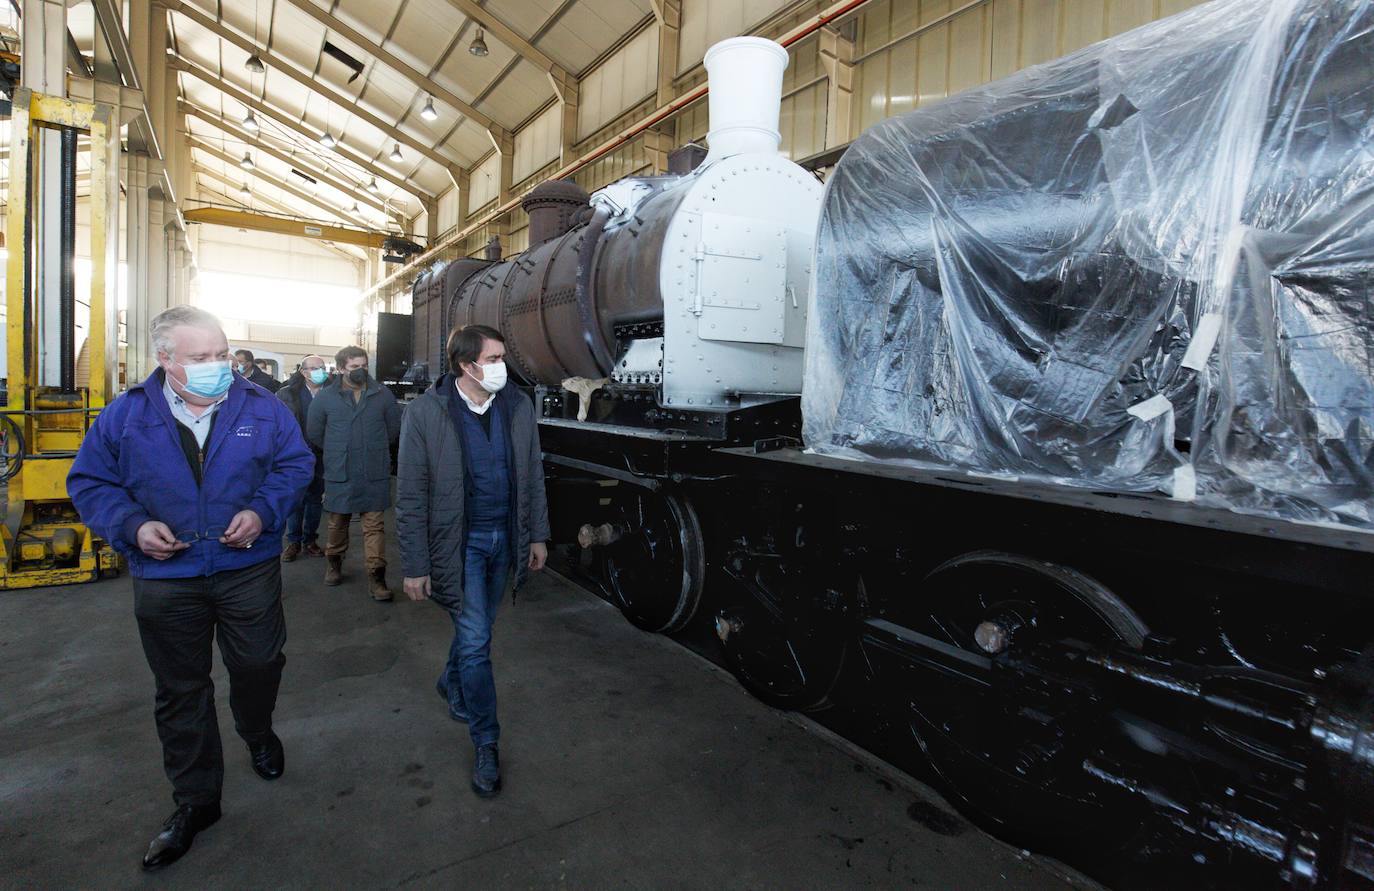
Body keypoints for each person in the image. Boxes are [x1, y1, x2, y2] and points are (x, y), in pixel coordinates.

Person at [67, 305, 313, 871]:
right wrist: (131, 526)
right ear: (166, 360)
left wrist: (262, 511)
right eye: (201, 358)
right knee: (181, 690)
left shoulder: (263, 407)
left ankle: (255, 729)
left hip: (245, 565)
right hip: (166, 575)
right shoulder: (125, 417)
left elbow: (295, 466)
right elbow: (91, 481)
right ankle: (196, 800)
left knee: (258, 663)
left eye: (222, 353)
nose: (217, 366)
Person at [397, 324, 549, 799]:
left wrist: (537, 535)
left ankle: (450, 681)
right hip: (457, 545)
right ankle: (486, 741)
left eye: (503, 355)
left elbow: (532, 474)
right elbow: (410, 494)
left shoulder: (518, 407)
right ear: (467, 365)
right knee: (478, 641)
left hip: (505, 539)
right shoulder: (426, 413)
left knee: (474, 632)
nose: (504, 365)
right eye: (495, 357)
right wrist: (416, 564)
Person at [306, 346, 401, 601]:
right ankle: (334, 564)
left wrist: (371, 448)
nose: (360, 371)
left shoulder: (382, 394)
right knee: (338, 523)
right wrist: (340, 450)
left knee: (375, 527)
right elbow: (315, 432)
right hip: (341, 470)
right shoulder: (326, 398)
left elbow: (393, 429)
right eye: (354, 367)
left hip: (374, 470)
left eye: (363, 366)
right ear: (339, 369)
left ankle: (377, 579)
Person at [277, 355, 330, 560]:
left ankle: (310, 539)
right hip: (295, 454)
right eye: (314, 368)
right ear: (303, 372)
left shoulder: (333, 393)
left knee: (315, 499)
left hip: (323, 454)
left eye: (322, 367)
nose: (319, 371)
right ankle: (293, 541)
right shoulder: (287, 394)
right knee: (296, 499)